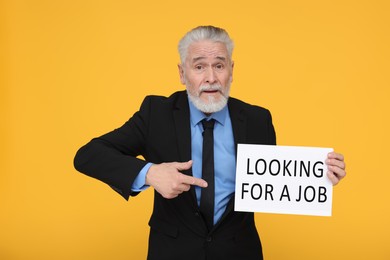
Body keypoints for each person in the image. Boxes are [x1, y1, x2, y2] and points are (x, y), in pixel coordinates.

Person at [74, 25, 346, 260]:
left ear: (231, 70)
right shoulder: (156, 114)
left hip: (239, 253)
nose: (211, 78)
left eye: (219, 65)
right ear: (182, 74)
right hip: (172, 252)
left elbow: (272, 183)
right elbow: (88, 155)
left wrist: (318, 177)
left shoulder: (257, 119)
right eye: (199, 66)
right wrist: (150, 173)